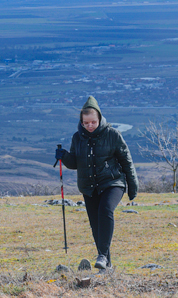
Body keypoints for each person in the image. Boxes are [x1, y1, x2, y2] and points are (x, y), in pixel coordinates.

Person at [55, 96, 138, 270]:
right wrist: (64, 157)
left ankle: (101, 255)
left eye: (93, 122)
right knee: (95, 225)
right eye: (86, 123)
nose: (90, 126)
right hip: (89, 186)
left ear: (99, 118)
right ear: (81, 121)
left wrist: (132, 185)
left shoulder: (113, 134)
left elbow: (126, 159)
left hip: (113, 182)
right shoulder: (77, 138)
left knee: (105, 210)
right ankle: (106, 265)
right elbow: (75, 163)